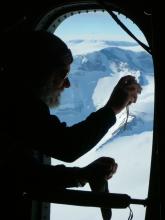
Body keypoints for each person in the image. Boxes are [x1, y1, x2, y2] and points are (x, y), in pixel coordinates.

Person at [0, 30, 141, 219]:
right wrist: (112, 108)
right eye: (62, 74)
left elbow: (25, 175)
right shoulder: (15, 103)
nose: (66, 84)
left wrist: (83, 175)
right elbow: (67, 146)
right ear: (39, 73)